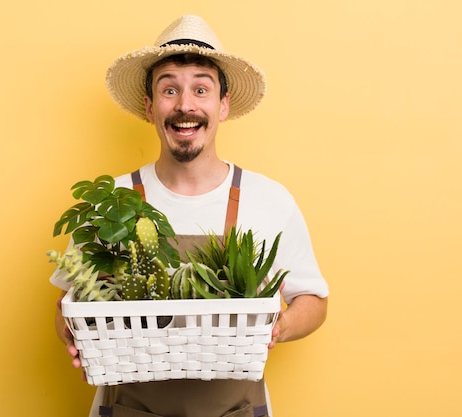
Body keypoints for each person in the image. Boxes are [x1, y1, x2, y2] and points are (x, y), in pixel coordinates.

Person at [50, 14, 329, 417]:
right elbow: (66, 306)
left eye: (201, 88)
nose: (185, 106)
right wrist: (74, 335)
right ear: (149, 107)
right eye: (169, 90)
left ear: (223, 105)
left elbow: (314, 300)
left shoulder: (269, 199)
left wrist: (277, 327)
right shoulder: (110, 203)